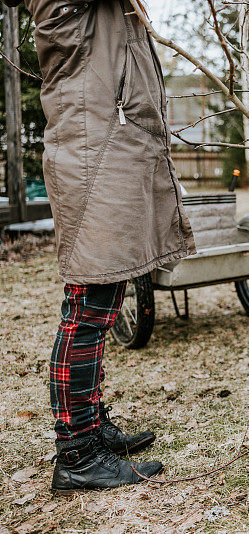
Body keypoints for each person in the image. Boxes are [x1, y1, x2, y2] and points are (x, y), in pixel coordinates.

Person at [2, 0, 195, 491]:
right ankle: (78, 453)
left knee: (101, 300)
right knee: (88, 307)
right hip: (93, 157)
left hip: (104, 150)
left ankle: (90, 426)